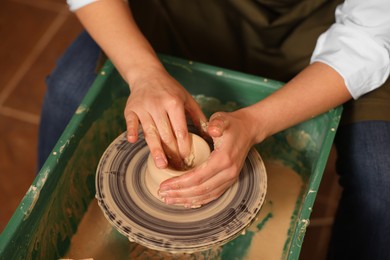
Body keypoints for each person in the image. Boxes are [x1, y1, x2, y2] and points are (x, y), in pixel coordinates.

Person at [38, 0, 390, 259]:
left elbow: (370, 36)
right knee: (69, 93)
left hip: (320, 30)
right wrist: (143, 73)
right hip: (181, 12)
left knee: (381, 175)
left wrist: (255, 123)